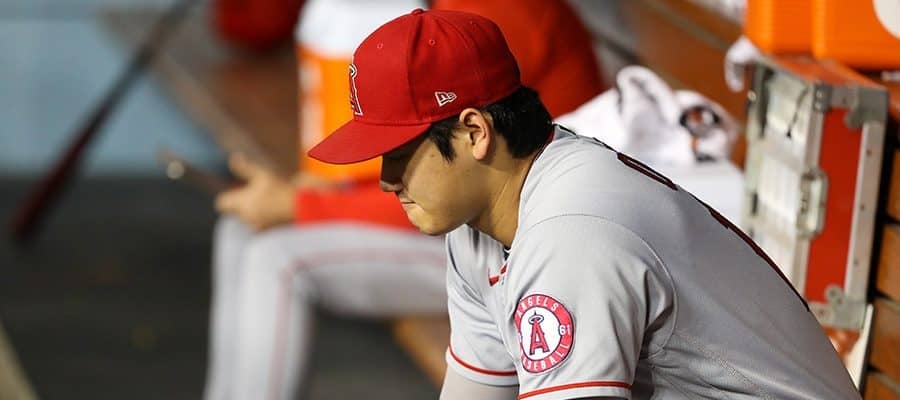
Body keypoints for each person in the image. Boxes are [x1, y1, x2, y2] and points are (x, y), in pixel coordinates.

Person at [308, 8, 862, 400]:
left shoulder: (571, 231)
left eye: (401, 154)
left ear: (475, 132)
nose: (387, 180)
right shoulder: (483, 222)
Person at [204, 0, 605, 399]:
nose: (387, 180)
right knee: (242, 230)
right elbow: (249, 26)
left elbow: (455, 183)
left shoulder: (483, 18)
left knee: (277, 259)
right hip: (484, 220)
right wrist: (322, 194)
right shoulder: (437, 21)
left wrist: (301, 206)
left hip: (529, 243)